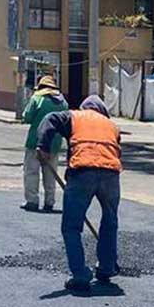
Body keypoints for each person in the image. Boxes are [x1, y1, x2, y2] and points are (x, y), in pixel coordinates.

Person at [36, 95, 121, 293]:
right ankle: (107, 268)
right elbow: (117, 151)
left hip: (82, 171)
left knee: (72, 226)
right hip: (111, 173)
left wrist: (43, 146)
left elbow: (49, 119)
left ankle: (81, 275)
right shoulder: (111, 126)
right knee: (110, 221)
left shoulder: (74, 116)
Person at [20, 75, 68, 211]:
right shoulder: (63, 102)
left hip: (35, 142)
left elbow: (27, 117)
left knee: (31, 172)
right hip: (54, 143)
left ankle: (32, 201)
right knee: (51, 174)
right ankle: (49, 202)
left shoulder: (37, 98)